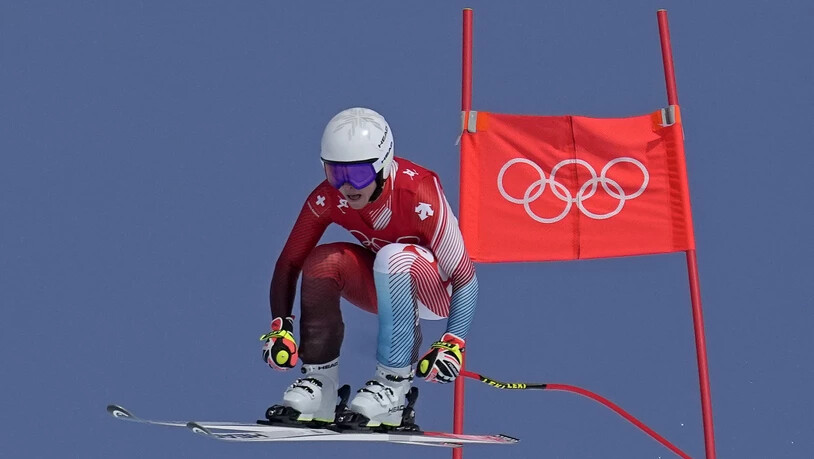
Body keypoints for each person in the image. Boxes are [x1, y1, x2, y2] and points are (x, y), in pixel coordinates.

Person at [261, 107, 478, 428]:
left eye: (359, 174)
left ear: (383, 166)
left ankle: (394, 388)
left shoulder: (418, 190)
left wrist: (453, 343)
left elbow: (464, 276)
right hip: (388, 287)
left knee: (394, 255)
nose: (347, 186)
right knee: (323, 260)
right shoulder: (328, 198)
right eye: (336, 173)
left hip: (437, 291)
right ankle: (321, 387)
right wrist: (280, 327)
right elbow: (289, 262)